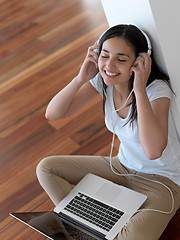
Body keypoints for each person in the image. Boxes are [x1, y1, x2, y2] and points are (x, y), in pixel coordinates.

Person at [36, 24, 180, 240]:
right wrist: (80, 79)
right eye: (104, 56)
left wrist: (139, 89)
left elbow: (153, 151)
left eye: (121, 59)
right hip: (121, 167)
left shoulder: (156, 90)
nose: (109, 66)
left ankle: (96, 227)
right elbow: (53, 114)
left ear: (139, 62)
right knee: (47, 168)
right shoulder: (104, 81)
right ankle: (87, 226)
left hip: (163, 182)